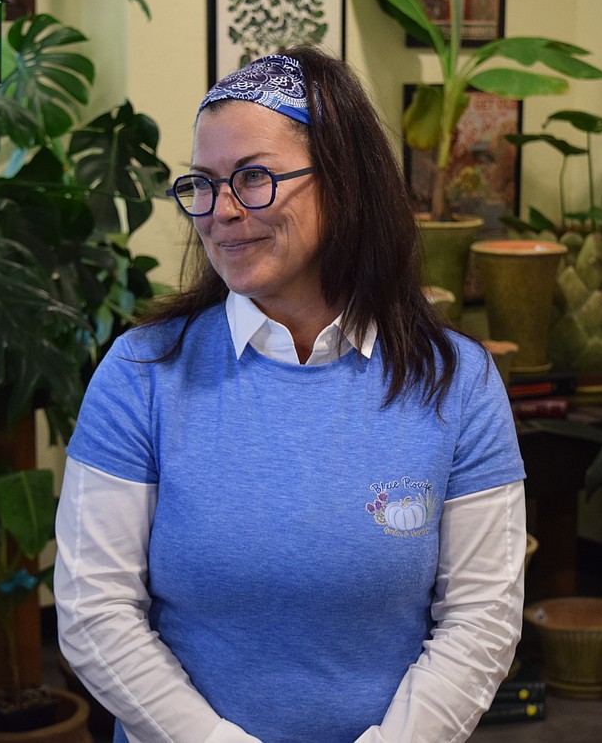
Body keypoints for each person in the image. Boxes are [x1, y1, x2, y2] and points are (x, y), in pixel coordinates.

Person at [54, 46, 527, 743]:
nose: (221, 212)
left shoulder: (457, 382)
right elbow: (95, 614)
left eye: (253, 179)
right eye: (203, 185)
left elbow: (481, 618)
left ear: (344, 183)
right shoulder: (141, 374)